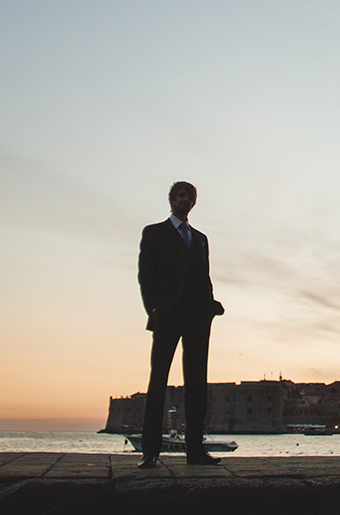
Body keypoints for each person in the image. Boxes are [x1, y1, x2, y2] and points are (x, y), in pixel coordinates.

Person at [136, 180, 225, 467]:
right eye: (180, 195)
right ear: (172, 200)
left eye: (189, 197)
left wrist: (211, 306)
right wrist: (154, 308)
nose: (184, 200)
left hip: (198, 318)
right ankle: (150, 451)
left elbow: (204, 276)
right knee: (158, 380)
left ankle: (195, 450)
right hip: (168, 315)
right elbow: (146, 275)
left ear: (193, 203)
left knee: (197, 383)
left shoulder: (200, 239)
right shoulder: (155, 233)